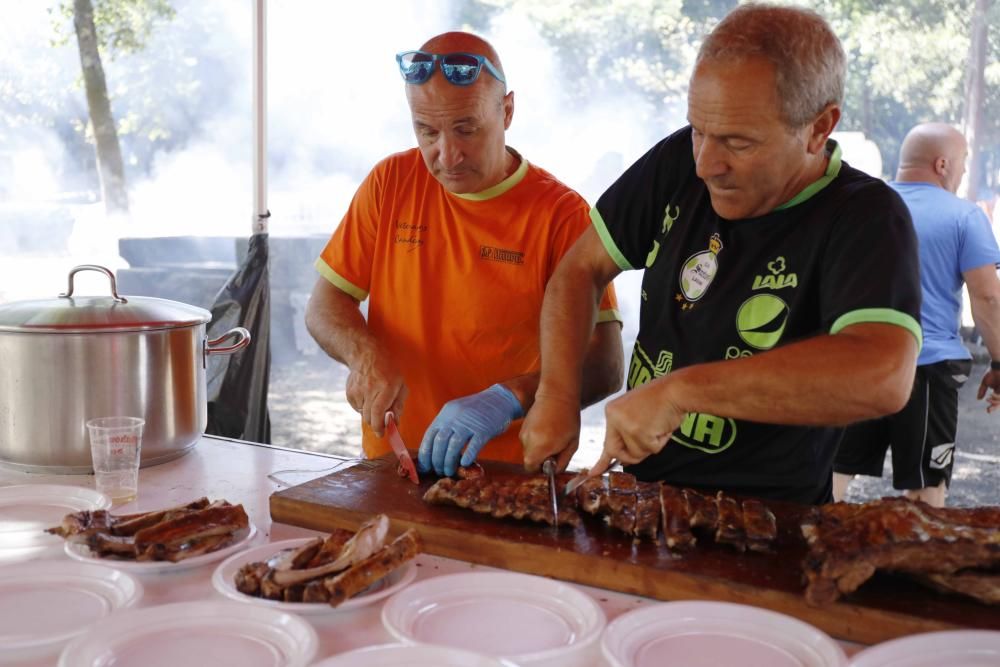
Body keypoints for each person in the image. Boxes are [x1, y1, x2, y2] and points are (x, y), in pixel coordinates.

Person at [519, 3, 923, 504]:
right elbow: (582, 268)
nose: (707, 164)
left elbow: (883, 374)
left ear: (819, 128)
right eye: (698, 130)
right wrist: (558, 396)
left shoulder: (865, 216)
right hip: (637, 497)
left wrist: (681, 392)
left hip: (769, 521)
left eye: (738, 142)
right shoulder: (677, 161)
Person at [305, 31, 623, 478]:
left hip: (505, 473)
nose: (446, 155)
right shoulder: (390, 182)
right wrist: (364, 355)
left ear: (507, 111)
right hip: (392, 464)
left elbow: (605, 365)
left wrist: (507, 398)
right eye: (426, 131)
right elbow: (325, 306)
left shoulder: (562, 214)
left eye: (466, 129)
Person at [833, 123, 1000, 507]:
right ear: (942, 164)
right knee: (926, 488)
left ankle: (805, 557)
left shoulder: (861, 204)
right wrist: (999, 361)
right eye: (962, 163)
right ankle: (914, 564)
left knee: (834, 472)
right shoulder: (963, 216)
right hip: (926, 368)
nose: (961, 172)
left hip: (855, 360)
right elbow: (988, 297)